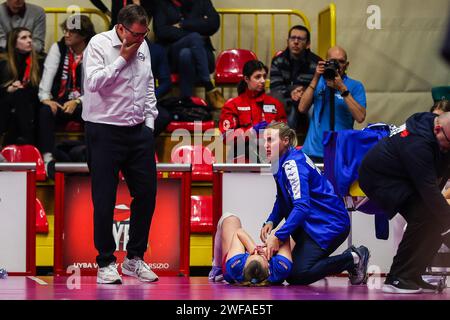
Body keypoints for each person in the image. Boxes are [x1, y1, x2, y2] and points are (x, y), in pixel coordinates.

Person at [83, 4, 159, 284]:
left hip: (138, 131)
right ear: (121, 28)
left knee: (148, 194)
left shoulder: (142, 44)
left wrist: (149, 123)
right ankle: (105, 262)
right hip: (103, 130)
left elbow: (148, 82)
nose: (141, 39)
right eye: (136, 34)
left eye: (144, 33)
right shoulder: (98, 44)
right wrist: (121, 59)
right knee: (104, 200)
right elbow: (92, 83)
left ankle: (134, 259)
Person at [261, 122, 370, 285]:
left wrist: (278, 235)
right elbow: (283, 197)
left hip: (330, 224)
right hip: (313, 224)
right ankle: (349, 260)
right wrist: (271, 220)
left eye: (270, 140)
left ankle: (354, 258)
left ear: (285, 141)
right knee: (291, 271)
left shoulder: (293, 165)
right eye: (264, 141)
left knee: (297, 274)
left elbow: (301, 207)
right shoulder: (279, 163)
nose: (265, 145)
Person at [358, 112, 450, 294]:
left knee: (435, 219)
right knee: (423, 217)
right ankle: (398, 279)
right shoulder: (417, 144)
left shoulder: (441, 137)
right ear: (438, 129)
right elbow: (428, 188)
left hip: (404, 176)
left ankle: (413, 275)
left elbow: (441, 175)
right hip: (380, 178)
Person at [37, 15, 96, 175]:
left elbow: (95, 87)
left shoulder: (94, 51)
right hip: (60, 101)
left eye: (71, 32)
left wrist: (78, 101)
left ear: (83, 35)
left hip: (85, 102)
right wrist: (46, 99)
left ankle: (91, 156)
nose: (66, 34)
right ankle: (48, 157)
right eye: (66, 30)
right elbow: (47, 76)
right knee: (44, 111)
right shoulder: (59, 48)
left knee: (94, 113)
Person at [298, 46, 367, 163]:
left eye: (341, 61)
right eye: (332, 61)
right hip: (313, 151)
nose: (337, 65)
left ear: (347, 65)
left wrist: (342, 89)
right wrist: (315, 77)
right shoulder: (318, 82)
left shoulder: (355, 86)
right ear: (325, 62)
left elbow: (360, 117)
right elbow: (302, 108)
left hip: (340, 151)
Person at [153, 0, 225, 109]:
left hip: (203, 55)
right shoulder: (163, 3)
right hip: (173, 55)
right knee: (195, 38)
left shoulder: (202, 2)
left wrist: (183, 24)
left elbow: (213, 24)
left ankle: (187, 104)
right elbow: (161, 31)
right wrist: (196, 30)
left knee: (186, 54)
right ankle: (208, 85)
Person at [219, 60, 286, 162]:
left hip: (271, 160)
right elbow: (227, 138)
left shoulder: (275, 104)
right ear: (246, 79)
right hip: (242, 160)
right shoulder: (232, 105)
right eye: (258, 77)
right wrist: (251, 132)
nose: (263, 80)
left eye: (264, 76)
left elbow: (285, 133)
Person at [209, 213, 292, 286]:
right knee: (288, 236)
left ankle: (217, 268)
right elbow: (284, 232)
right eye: (259, 255)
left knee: (230, 219)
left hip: (231, 269)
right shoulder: (281, 268)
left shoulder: (236, 265)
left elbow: (239, 232)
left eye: (252, 254)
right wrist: (270, 244)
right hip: (268, 266)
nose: (257, 252)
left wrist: (252, 248)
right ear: (268, 266)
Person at [269, 25, 321, 132]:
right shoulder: (278, 61)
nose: (296, 42)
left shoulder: (316, 62)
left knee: (314, 111)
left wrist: (304, 93)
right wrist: (291, 92)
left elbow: (320, 89)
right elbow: (275, 88)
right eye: (293, 38)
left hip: (309, 102)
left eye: (300, 39)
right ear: (287, 41)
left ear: (308, 44)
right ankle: (285, 147)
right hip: (286, 100)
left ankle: (315, 147)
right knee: (288, 111)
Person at [0, 27, 43, 146]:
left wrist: (22, 88)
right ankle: (26, 141)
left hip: (32, 102)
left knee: (19, 96)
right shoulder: (3, 62)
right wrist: (8, 88)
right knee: (12, 99)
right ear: (14, 43)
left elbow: (40, 89)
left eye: (30, 37)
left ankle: (23, 142)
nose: (29, 41)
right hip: (8, 103)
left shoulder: (39, 61)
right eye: (24, 38)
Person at [90, 0, 154, 28]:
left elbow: (144, 23)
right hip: (115, 29)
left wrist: (137, 3)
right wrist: (106, 11)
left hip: (135, 35)